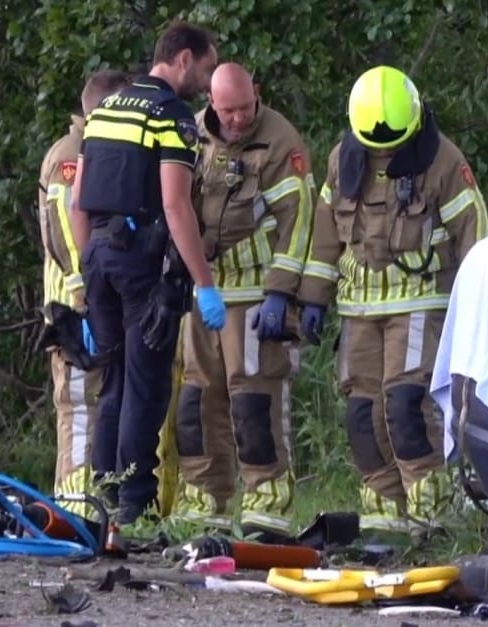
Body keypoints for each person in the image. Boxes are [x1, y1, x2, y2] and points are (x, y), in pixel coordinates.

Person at [300, 65, 488, 537]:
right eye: (375, 145)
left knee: (405, 405)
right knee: (361, 414)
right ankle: (384, 516)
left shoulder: (442, 161)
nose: (383, 153)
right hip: (359, 310)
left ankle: (431, 511)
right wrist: (311, 300)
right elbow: (324, 236)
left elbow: (475, 235)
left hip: (420, 304)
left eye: (392, 143)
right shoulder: (342, 159)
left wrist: (479, 309)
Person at [69, 21, 226, 525]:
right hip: (139, 263)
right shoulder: (169, 115)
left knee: (111, 382)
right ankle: (134, 506)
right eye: (205, 67)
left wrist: (86, 265)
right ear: (182, 58)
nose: (208, 81)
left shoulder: (107, 109)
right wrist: (205, 285)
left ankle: (103, 499)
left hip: (96, 256)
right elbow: (175, 205)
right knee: (145, 384)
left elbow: (79, 202)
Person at [171, 62, 320, 539]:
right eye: (228, 109)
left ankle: (267, 512)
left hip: (257, 295)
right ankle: (203, 508)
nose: (237, 119)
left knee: (253, 402)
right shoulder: (192, 134)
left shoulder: (280, 140)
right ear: (212, 103)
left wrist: (281, 292)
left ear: (257, 93)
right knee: (197, 400)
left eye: (244, 107)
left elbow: (299, 222)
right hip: (205, 290)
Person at [37, 69, 133, 518]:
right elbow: (66, 233)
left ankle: (88, 507)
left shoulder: (94, 149)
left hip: (93, 306)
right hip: (75, 312)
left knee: (96, 407)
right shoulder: (71, 156)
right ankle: (74, 510)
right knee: (78, 410)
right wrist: (85, 299)